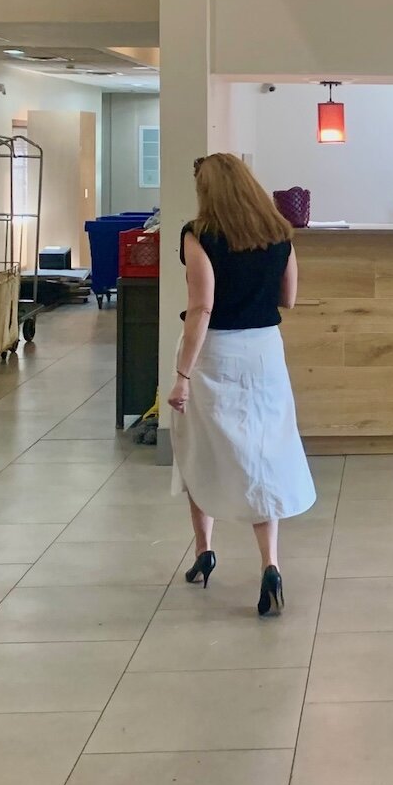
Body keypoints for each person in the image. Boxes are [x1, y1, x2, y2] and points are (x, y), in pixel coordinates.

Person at [169, 153, 315, 616]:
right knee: (261, 453)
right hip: (265, 352)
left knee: (199, 446)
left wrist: (182, 376)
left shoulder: (199, 235)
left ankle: (203, 552)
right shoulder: (279, 234)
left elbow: (202, 307)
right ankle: (270, 564)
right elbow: (288, 298)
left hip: (215, 352)